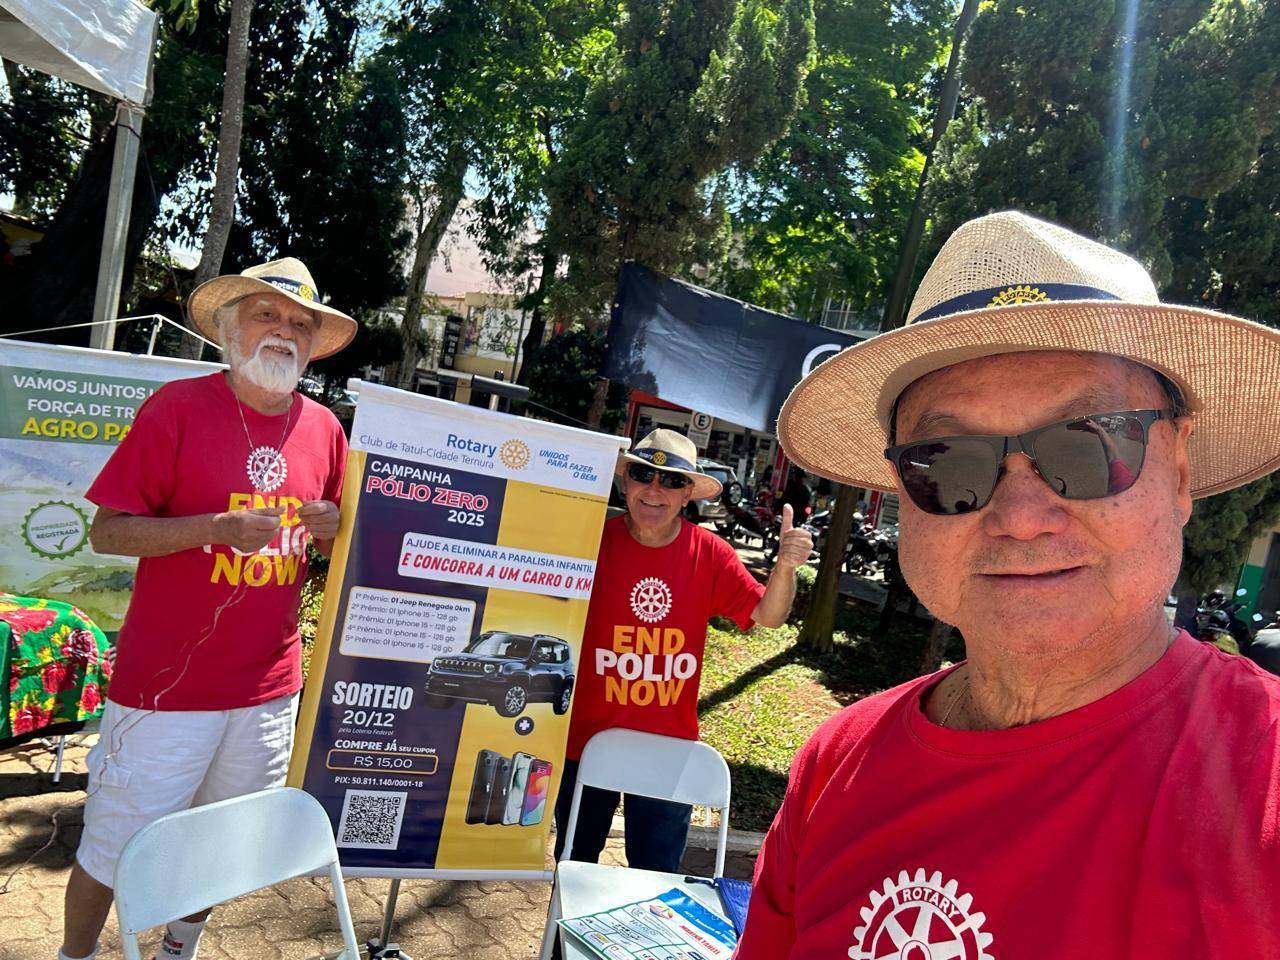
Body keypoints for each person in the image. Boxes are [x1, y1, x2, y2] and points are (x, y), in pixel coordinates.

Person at [736, 211, 1280, 957]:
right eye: (947, 461)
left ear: (1179, 471)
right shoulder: (835, 766)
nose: (1020, 517)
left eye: (1090, 443)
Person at [60, 258, 355, 960]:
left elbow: (335, 545)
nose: (283, 332)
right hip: (165, 690)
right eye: (266, 314)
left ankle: (177, 949)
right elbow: (108, 533)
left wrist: (333, 528)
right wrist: (213, 528)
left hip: (268, 691)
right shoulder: (178, 408)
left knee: (219, 846)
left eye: (300, 324)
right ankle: (75, 955)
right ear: (229, 328)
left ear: (313, 345)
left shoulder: (325, 429)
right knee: (115, 846)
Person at [556, 429, 813, 872]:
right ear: (625, 481)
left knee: (657, 878)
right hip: (587, 741)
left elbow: (767, 616)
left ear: (688, 493)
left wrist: (785, 569)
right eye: (643, 475)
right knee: (575, 869)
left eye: (672, 481)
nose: (654, 490)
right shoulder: (590, 542)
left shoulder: (709, 553)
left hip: (668, 747)